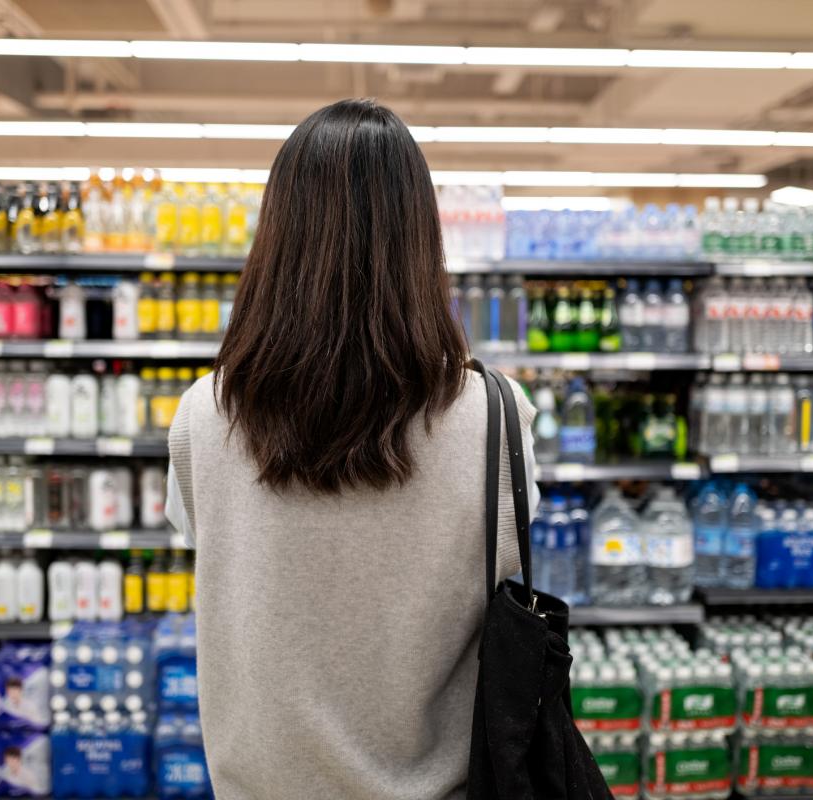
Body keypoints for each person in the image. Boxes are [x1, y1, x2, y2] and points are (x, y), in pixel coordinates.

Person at [166, 98, 537, 799]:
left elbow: (206, 540)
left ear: (276, 235)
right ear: (421, 237)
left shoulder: (202, 415)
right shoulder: (495, 416)